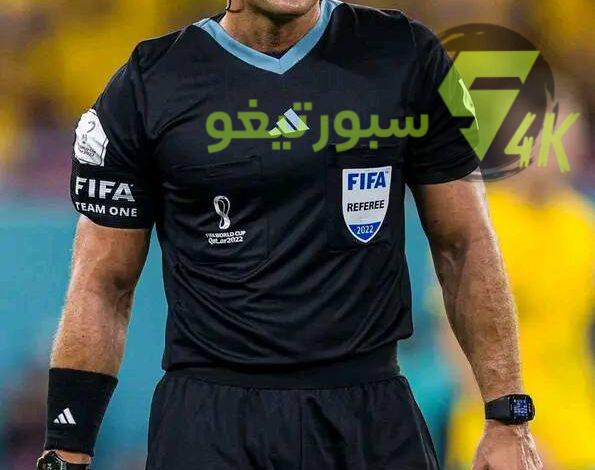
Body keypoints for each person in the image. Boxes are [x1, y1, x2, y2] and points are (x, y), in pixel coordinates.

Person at [37, 1, 542, 468]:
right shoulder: (150, 84)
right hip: (211, 425)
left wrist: (508, 416)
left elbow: (464, 243)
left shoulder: (404, 55)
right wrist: (65, 449)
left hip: (370, 416)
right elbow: (102, 283)